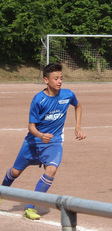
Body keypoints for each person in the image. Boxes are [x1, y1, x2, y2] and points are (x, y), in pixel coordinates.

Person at [1, 63, 86, 220]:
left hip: (53, 143)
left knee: (52, 169)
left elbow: (78, 106)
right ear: (46, 80)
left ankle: (29, 207)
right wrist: (40, 135)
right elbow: (31, 126)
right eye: (56, 78)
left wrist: (77, 127)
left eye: (61, 78)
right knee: (15, 172)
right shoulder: (39, 100)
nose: (59, 81)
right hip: (33, 142)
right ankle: (2, 191)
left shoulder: (67, 95)